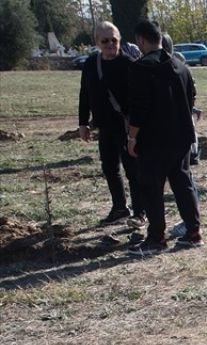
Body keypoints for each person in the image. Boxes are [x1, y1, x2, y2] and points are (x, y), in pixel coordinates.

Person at [125, 19, 201, 254]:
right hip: (181, 137)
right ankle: (193, 232)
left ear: (141, 40)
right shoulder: (181, 66)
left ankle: (156, 238)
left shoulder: (142, 68)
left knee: (151, 187)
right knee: (183, 184)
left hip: (154, 140)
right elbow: (191, 99)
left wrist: (132, 137)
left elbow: (139, 108)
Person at [77, 21, 144, 227]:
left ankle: (140, 212)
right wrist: (83, 123)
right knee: (109, 168)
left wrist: (135, 130)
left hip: (126, 128)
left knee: (133, 170)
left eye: (113, 40)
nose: (110, 44)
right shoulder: (90, 64)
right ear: (97, 42)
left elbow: (140, 101)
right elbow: (85, 93)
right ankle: (119, 208)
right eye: (104, 40)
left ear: (120, 40)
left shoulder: (130, 64)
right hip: (104, 127)